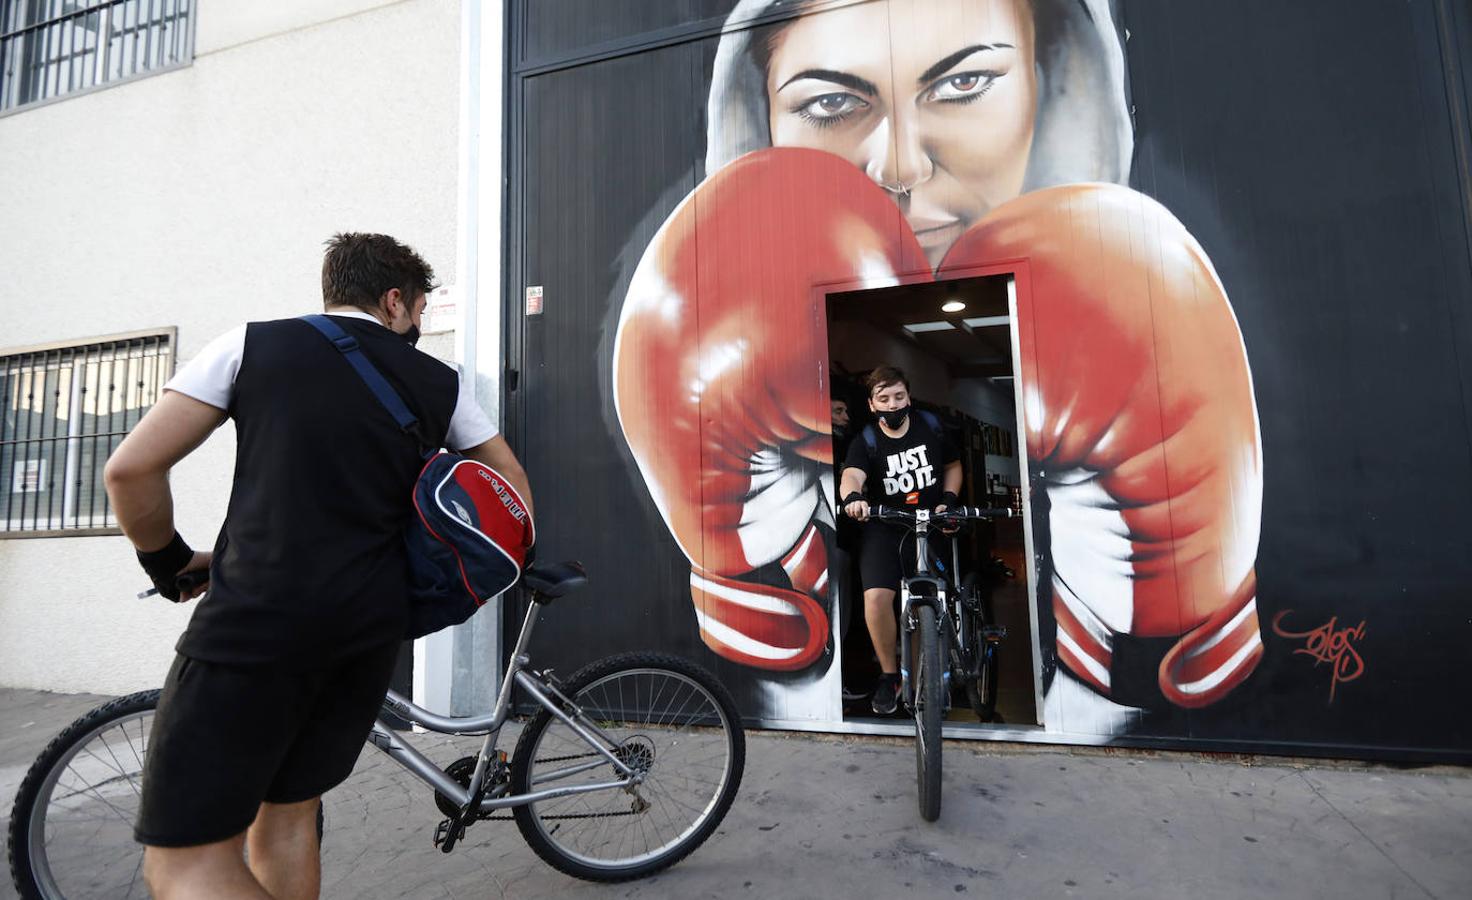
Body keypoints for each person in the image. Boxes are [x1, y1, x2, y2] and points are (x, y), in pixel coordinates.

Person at [104, 233, 532, 900]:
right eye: (419, 312)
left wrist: (171, 563)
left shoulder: (253, 345)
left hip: (256, 628)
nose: (417, 327)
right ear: (395, 300)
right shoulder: (439, 384)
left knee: (184, 863)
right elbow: (513, 499)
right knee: (288, 820)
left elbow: (131, 470)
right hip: (367, 636)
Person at [838, 366, 962, 714]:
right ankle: (890, 675)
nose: (893, 405)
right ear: (872, 404)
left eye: (899, 396)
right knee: (877, 597)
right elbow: (851, 475)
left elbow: (953, 465)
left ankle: (926, 671)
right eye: (884, 399)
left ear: (909, 397)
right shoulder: (867, 440)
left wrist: (949, 500)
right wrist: (852, 499)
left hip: (929, 522)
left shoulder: (931, 426)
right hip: (884, 526)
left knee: (928, 598)